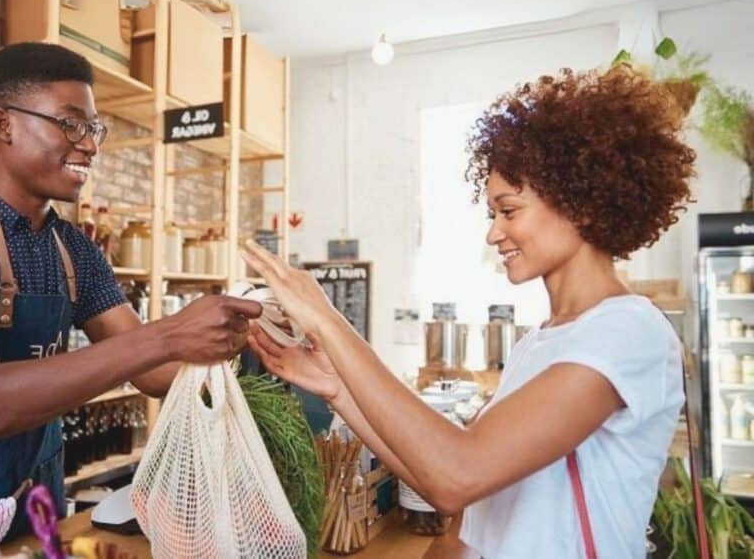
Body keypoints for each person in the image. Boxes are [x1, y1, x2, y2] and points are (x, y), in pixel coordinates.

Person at [243, 65, 696, 558]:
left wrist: (329, 322)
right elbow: (438, 476)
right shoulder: (540, 342)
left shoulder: (628, 332)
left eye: (509, 210)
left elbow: (459, 471)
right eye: (491, 214)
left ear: (579, 205)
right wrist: (338, 389)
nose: (494, 233)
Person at [0, 43, 260, 558]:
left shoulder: (74, 252)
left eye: (94, 129)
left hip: (31, 503)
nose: (90, 146)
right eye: (71, 124)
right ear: (4, 124)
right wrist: (168, 335)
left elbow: (149, 369)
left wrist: (240, 348)